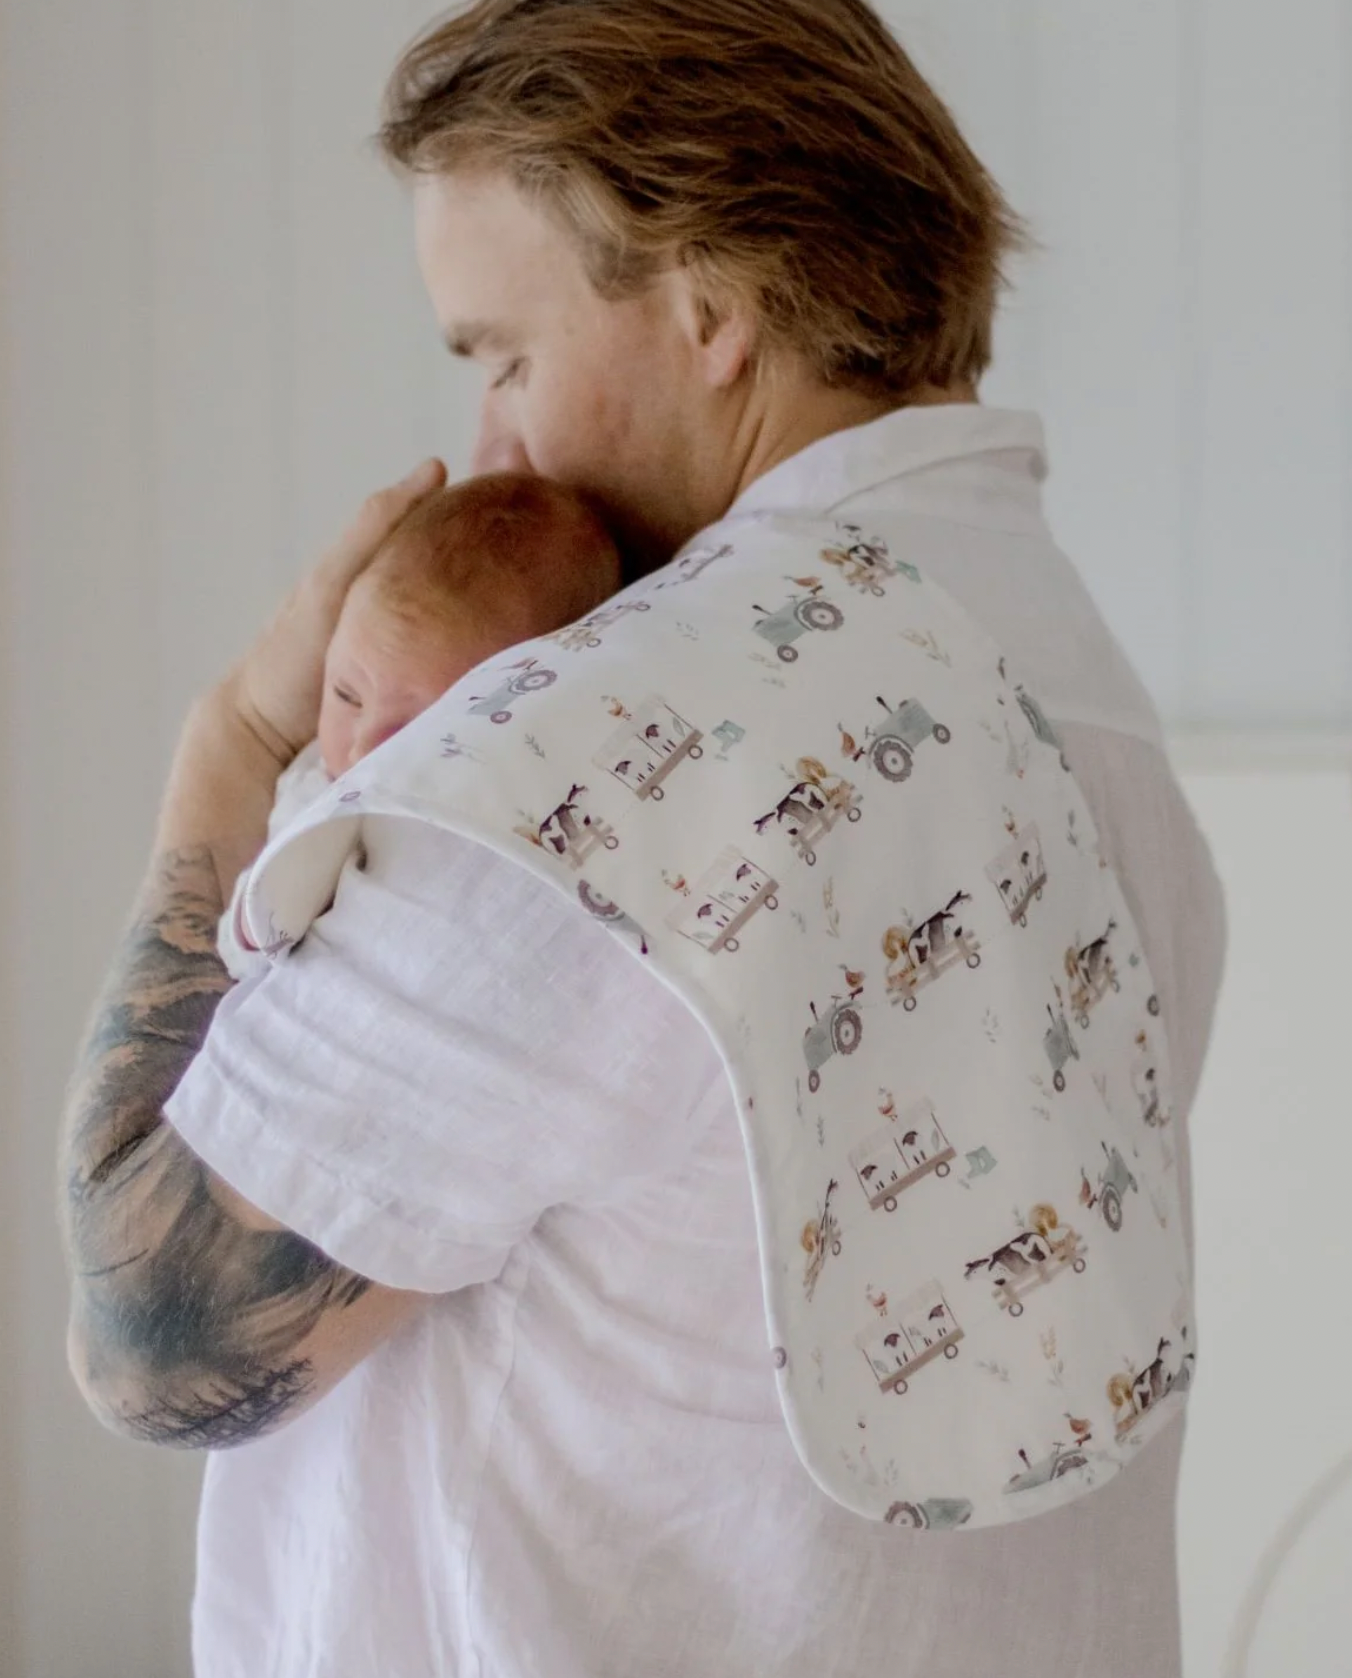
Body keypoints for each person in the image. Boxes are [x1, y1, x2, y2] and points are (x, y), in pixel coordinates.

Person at [57, 3, 1228, 1675]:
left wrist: (232, 744)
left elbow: (157, 1332)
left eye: (503, 356)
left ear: (710, 302)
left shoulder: (592, 757)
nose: (490, 448)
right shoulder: (1086, 709)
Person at [216, 471, 622, 979]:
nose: (361, 748)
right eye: (345, 695)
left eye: (413, 727)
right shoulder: (317, 789)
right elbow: (243, 948)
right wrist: (278, 893)